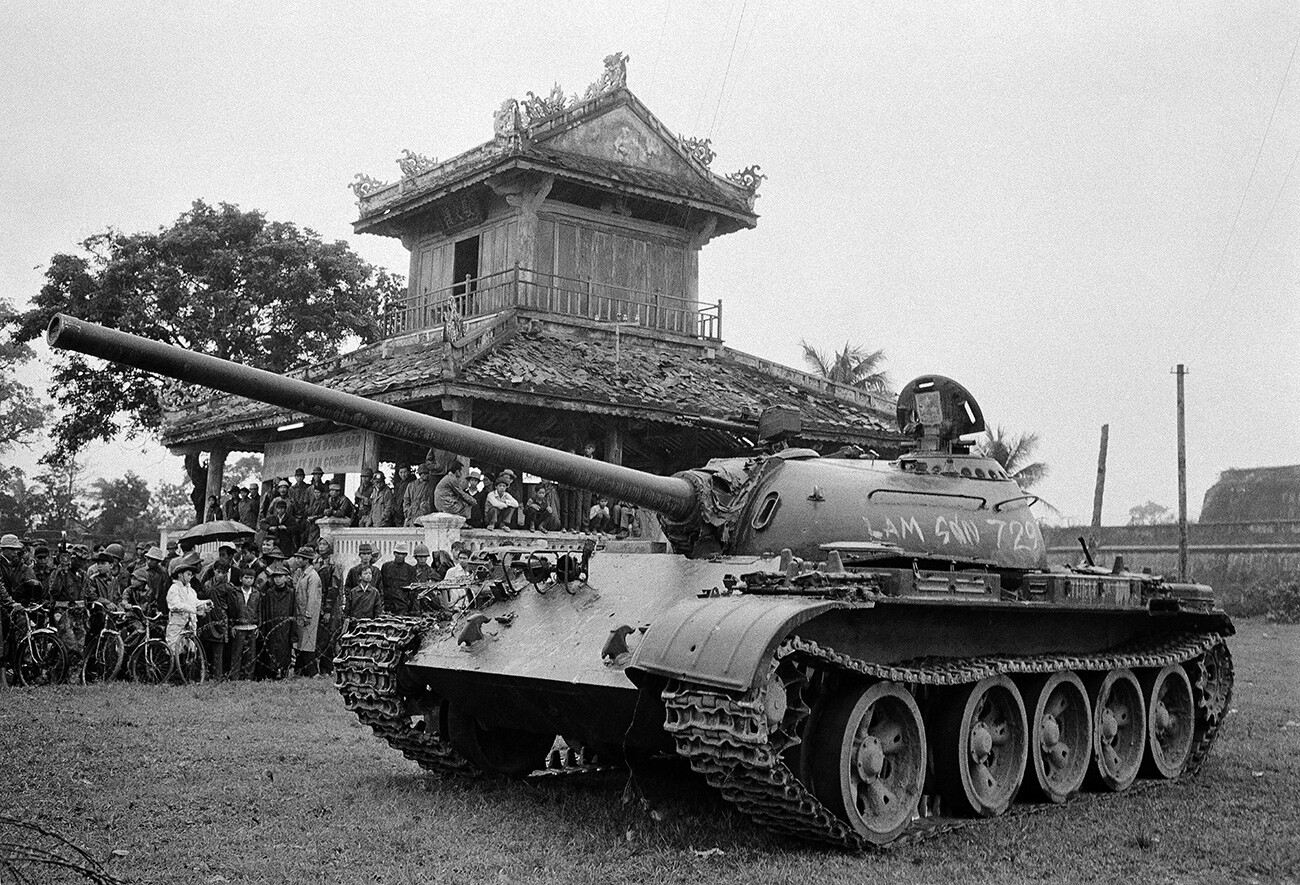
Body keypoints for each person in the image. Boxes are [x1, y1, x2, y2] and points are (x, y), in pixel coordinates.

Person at [258, 562, 296, 680]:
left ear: (286, 577)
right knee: (272, 648)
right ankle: (272, 672)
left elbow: (294, 610)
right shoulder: (270, 593)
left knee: (284, 649)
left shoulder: (291, 593)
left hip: (286, 625)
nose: (277, 580)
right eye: (275, 577)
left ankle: (284, 670)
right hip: (272, 624)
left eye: (280, 576)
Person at [290, 546, 323, 677]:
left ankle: (313, 672)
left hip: (308, 615)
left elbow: (313, 598)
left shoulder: (313, 577)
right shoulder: (303, 574)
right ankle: (301, 671)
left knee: (307, 643)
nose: (297, 560)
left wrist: (308, 615)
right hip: (301, 613)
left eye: (300, 558)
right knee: (302, 642)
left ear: (307, 560)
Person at [198, 561, 234, 678]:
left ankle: (218, 676)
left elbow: (232, 606)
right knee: (205, 649)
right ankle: (205, 674)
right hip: (207, 618)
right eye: (218, 572)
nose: (220, 575)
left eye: (223, 573)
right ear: (214, 570)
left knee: (218, 652)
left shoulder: (228, 587)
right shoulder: (207, 584)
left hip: (220, 620)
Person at [165, 552, 205, 652]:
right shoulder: (174, 588)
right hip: (177, 623)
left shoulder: (190, 590)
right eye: (188, 574)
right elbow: (175, 605)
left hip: (189, 624)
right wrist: (192, 609)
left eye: (191, 575)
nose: (190, 577)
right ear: (180, 575)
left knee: (190, 650)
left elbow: (195, 602)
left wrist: (204, 604)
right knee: (174, 649)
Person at [227, 568, 261, 680]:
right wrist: (231, 625)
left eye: (251, 578)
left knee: (250, 655)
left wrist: (258, 626)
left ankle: (248, 678)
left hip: (252, 626)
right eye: (246, 578)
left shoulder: (256, 593)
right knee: (236, 654)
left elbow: (259, 610)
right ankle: (234, 678)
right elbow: (230, 610)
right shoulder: (235, 593)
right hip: (238, 626)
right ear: (241, 579)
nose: (249, 580)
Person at [314, 539, 342, 674]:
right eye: (320, 544)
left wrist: (328, 609)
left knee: (328, 636)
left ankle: (327, 668)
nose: (321, 547)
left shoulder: (333, 564)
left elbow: (334, 588)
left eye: (324, 544)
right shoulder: (316, 562)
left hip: (329, 602)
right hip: (317, 600)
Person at [379, 544, 416, 615]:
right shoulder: (386, 566)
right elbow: (381, 585)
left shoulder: (410, 569)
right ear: (394, 553)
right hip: (388, 604)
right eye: (398, 553)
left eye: (402, 554)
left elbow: (412, 590)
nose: (400, 556)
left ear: (406, 555)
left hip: (402, 605)